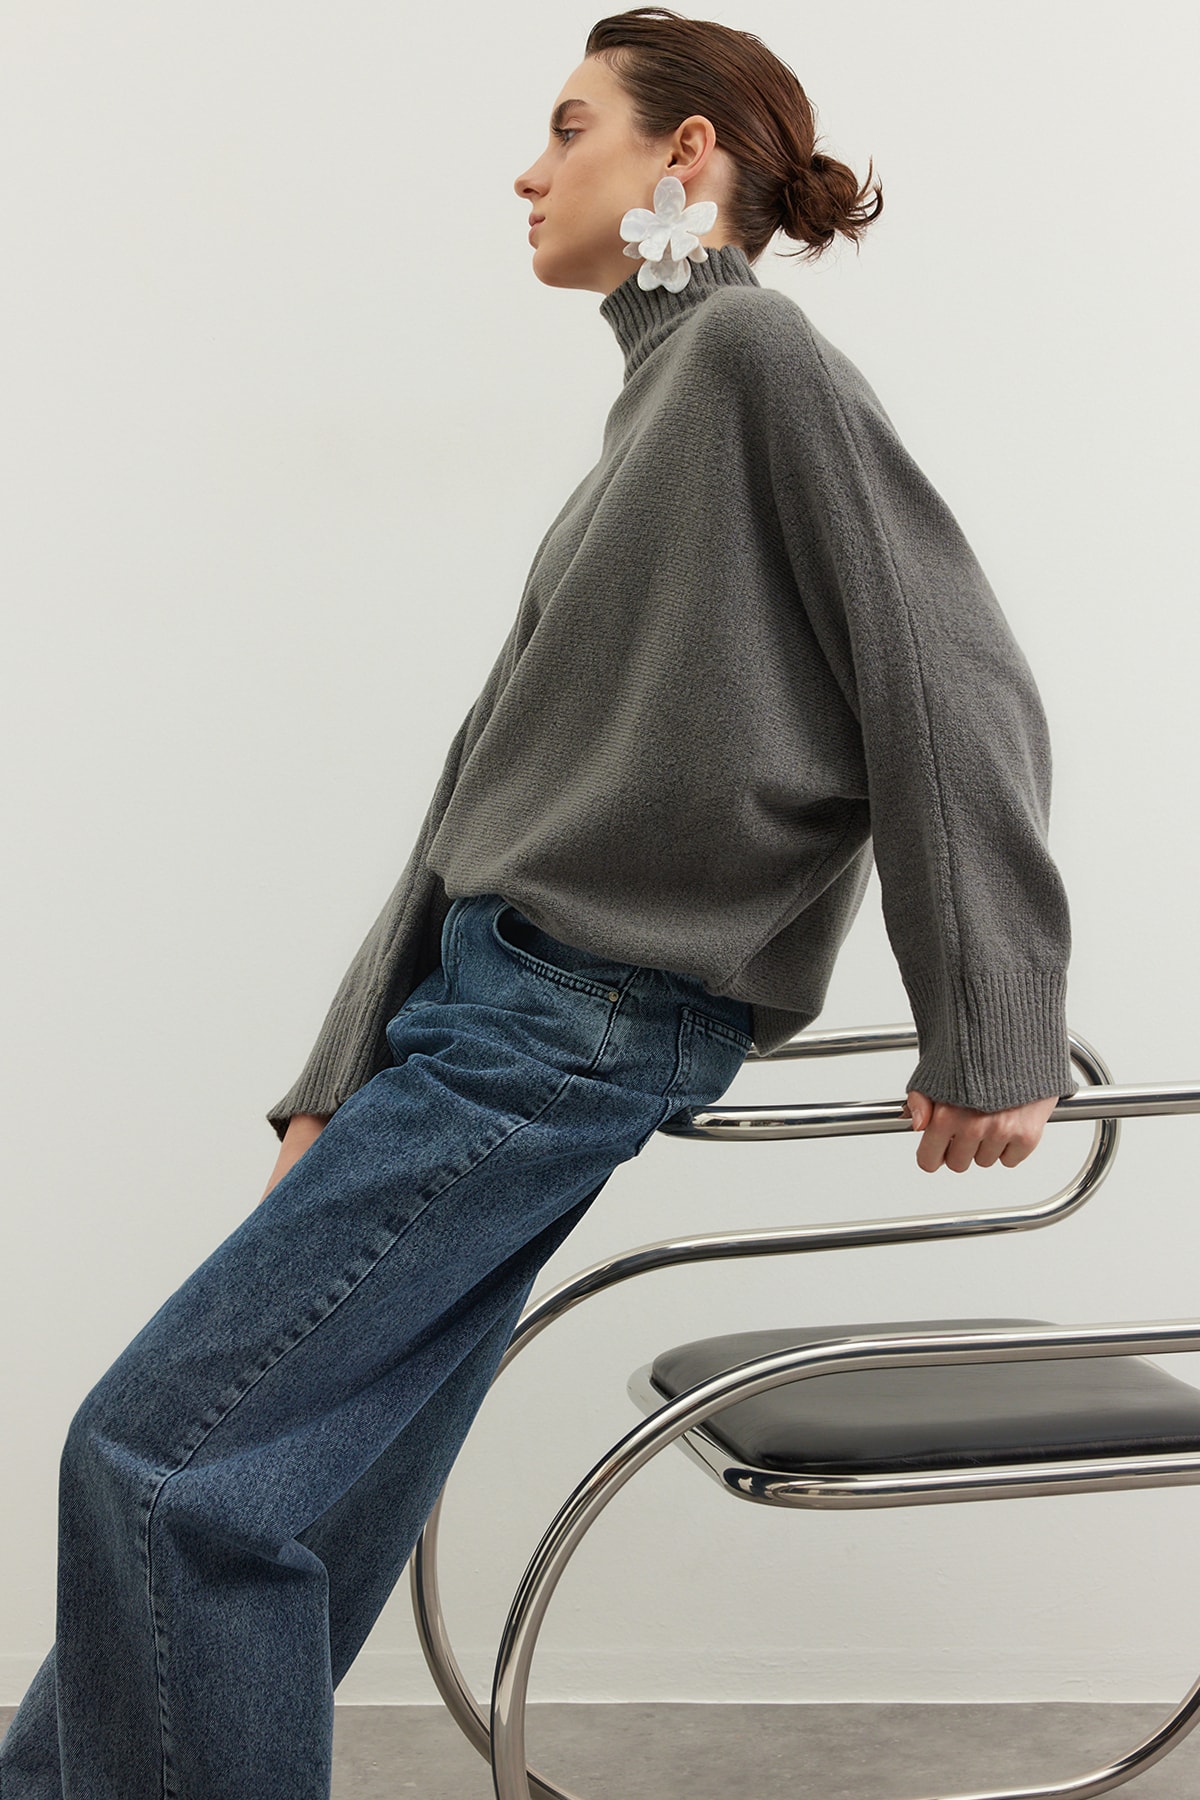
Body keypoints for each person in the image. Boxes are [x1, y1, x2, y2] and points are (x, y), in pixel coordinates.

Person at [0, 9, 1077, 1797]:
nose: (527, 168)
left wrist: (994, 1012)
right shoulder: (660, 404)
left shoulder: (751, 358)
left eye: (570, 127)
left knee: (166, 1466)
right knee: (286, 1495)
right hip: (500, 1017)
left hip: (566, 1023)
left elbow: (950, 679)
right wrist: (339, 1074)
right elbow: (485, 785)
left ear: (686, 155)